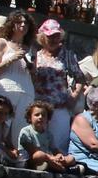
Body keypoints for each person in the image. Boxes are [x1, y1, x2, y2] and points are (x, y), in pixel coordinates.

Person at [30, 21, 83, 153]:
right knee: (39, 143)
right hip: (40, 107)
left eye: (56, 36)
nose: (54, 39)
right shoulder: (37, 55)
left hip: (60, 106)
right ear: (42, 37)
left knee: (59, 145)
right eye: (50, 36)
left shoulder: (67, 55)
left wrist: (74, 96)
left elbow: (80, 78)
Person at [0, 12, 35, 123]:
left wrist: (33, 70)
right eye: (19, 22)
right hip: (6, 89)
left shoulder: (30, 48)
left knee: (20, 129)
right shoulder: (2, 43)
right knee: (1, 127)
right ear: (11, 25)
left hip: (27, 91)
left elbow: (34, 76)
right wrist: (11, 59)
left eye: (26, 23)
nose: (23, 25)